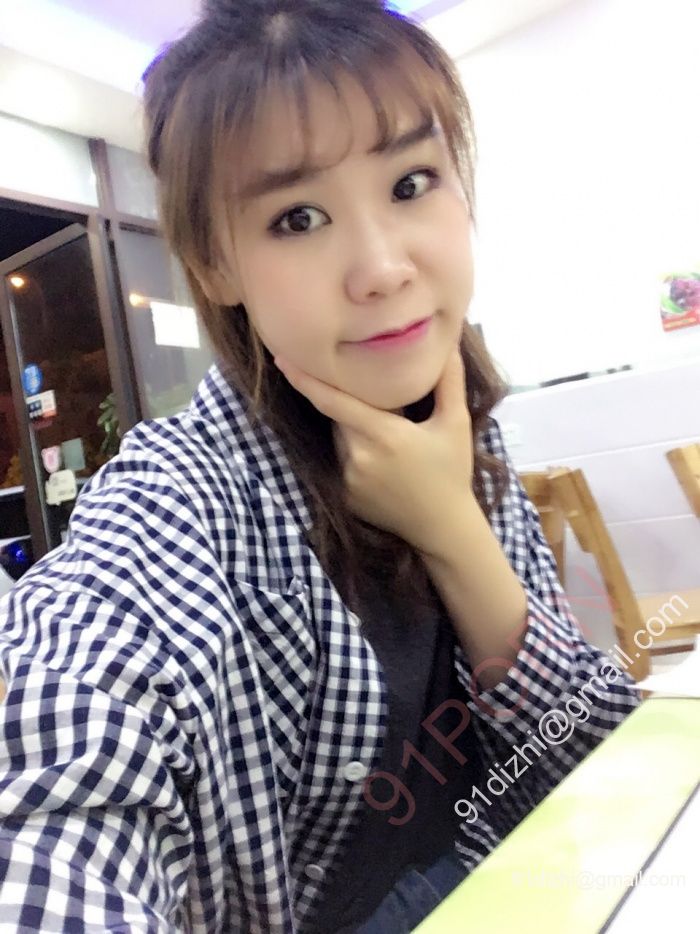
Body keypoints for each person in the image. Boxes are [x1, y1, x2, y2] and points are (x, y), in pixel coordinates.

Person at [0, 1, 640, 931]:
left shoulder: (467, 434)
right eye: (297, 217)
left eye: (412, 182)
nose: (382, 267)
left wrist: (452, 529)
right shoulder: (182, 501)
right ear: (214, 265)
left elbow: (601, 760)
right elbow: (61, 798)